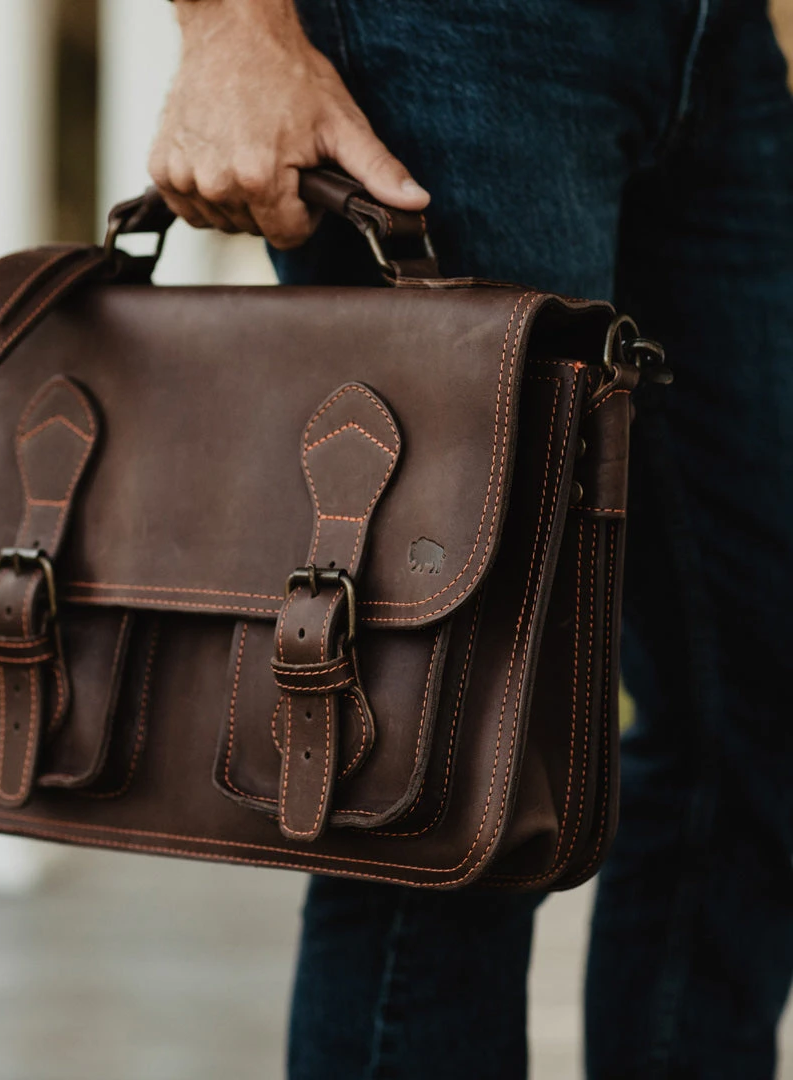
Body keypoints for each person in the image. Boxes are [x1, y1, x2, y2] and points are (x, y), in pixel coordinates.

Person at [148, 0, 793, 1076]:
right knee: (440, 769)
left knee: (757, 695)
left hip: (717, 47)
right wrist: (227, 25)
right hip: (451, 39)